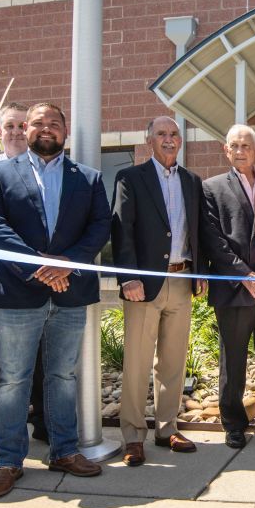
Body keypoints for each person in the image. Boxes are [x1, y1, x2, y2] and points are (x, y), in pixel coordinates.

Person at [0, 102, 111, 498]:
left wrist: (67, 264)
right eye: (38, 123)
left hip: (70, 292)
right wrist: (38, 266)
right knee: (13, 379)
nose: (46, 128)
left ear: (65, 131)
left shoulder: (87, 178)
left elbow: (100, 225)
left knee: (62, 376)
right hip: (16, 293)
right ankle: (9, 461)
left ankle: (64, 451)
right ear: (24, 129)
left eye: (54, 123)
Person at [111, 116, 204, 467]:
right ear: (149, 140)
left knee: (173, 361)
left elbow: (198, 231)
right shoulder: (130, 178)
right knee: (136, 362)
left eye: (174, 134)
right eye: (162, 134)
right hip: (143, 285)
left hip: (182, 281)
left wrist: (200, 273)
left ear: (180, 141)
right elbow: (122, 231)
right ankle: (133, 436)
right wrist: (128, 278)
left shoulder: (192, 181)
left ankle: (167, 428)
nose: (169, 140)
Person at [0, 102, 47, 454]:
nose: (17, 132)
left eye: (23, 125)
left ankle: (45, 421)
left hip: (44, 279)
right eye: (10, 126)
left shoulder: (45, 171)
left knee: (43, 356)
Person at [201, 124, 255, 449]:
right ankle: (233, 422)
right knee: (232, 360)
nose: (240, 150)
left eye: (246, 145)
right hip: (234, 289)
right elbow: (212, 238)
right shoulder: (211, 187)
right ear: (226, 150)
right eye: (234, 145)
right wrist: (245, 275)